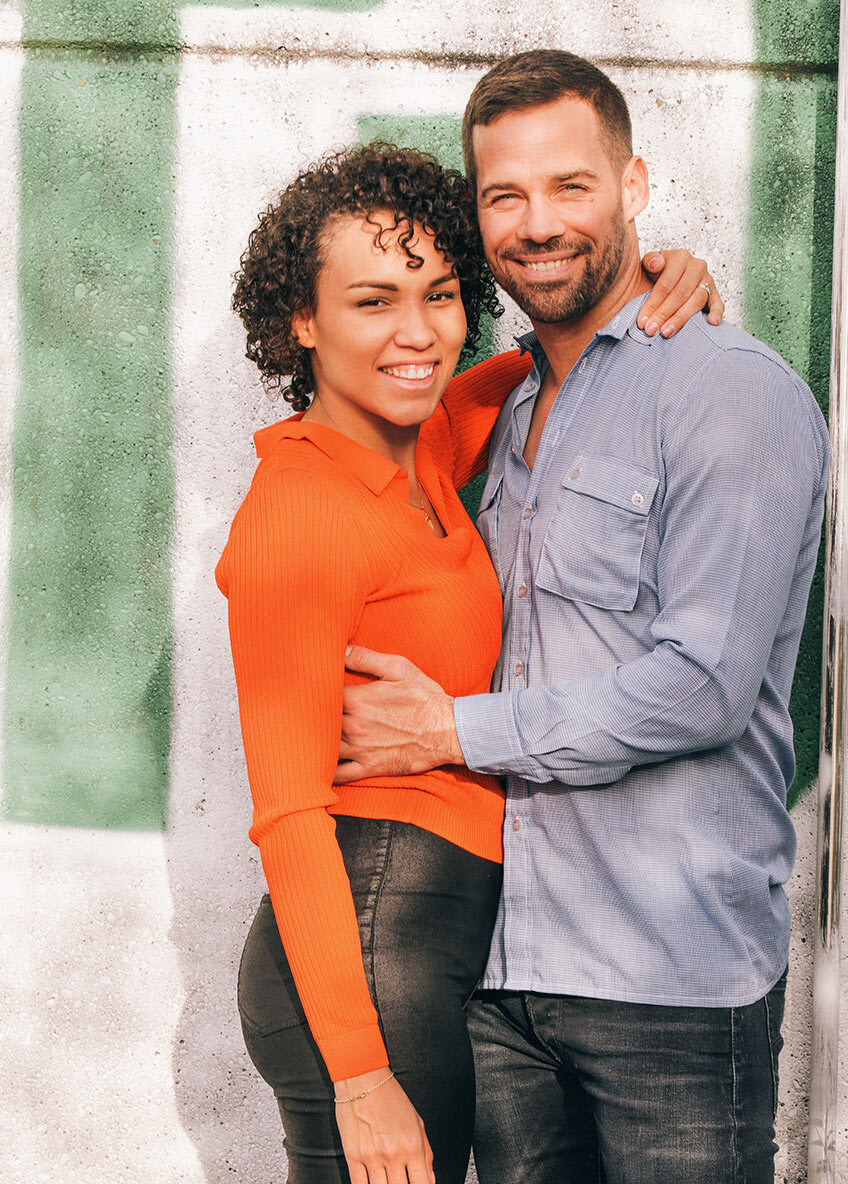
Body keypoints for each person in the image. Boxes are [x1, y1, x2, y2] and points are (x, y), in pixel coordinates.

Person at [335, 52, 830, 1184]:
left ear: (634, 185)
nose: (538, 223)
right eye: (504, 195)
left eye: (571, 186)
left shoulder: (726, 391)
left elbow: (701, 685)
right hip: (499, 979)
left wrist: (449, 731)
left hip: (668, 987)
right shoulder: (502, 404)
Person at [216, 142, 721, 1184]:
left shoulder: (425, 449)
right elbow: (288, 814)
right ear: (302, 320)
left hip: (429, 937)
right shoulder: (297, 514)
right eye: (373, 302)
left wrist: (658, 279)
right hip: (364, 958)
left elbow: (554, 353)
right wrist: (360, 1075)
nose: (418, 333)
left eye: (439, 294)